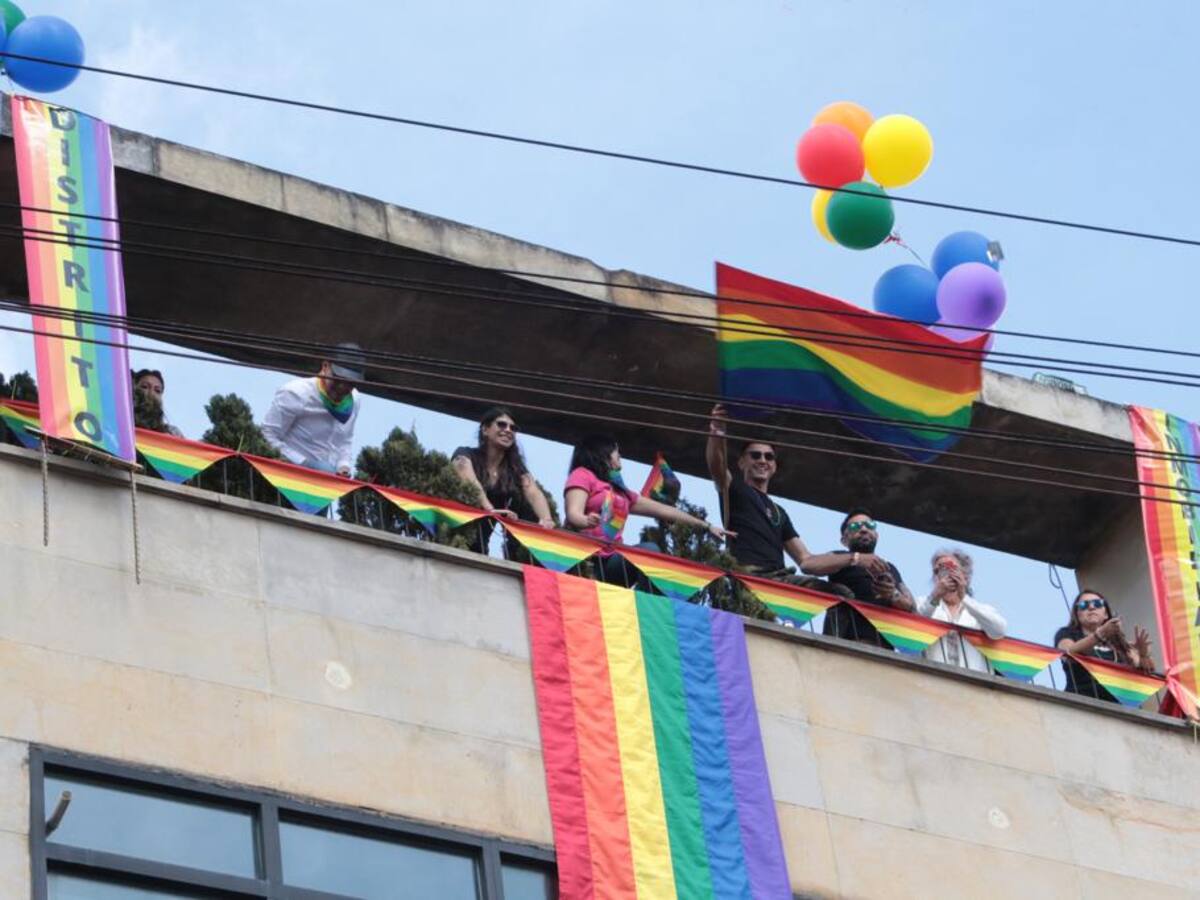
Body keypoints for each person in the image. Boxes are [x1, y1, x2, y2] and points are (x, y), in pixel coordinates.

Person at [705, 404, 848, 598]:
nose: (762, 460)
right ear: (741, 463)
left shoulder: (779, 512)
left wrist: (852, 558)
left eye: (769, 457)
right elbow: (716, 465)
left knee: (840, 593)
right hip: (747, 574)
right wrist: (717, 429)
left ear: (774, 467)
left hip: (779, 581)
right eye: (755, 455)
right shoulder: (735, 489)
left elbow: (805, 559)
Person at [565, 433, 732, 583]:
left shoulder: (622, 493)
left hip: (612, 563)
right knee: (650, 550)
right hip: (586, 561)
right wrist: (586, 521)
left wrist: (707, 526)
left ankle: (646, 606)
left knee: (650, 552)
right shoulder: (582, 474)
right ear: (602, 452)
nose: (620, 455)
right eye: (616, 451)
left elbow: (666, 511)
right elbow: (573, 513)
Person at [802, 508, 914, 646]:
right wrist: (856, 558)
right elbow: (808, 565)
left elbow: (911, 607)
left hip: (885, 651)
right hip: (845, 645)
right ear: (844, 540)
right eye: (855, 526)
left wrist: (892, 594)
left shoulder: (890, 567)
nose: (864, 529)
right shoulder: (839, 557)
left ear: (877, 535)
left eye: (869, 525)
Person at [452, 407, 555, 555]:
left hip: (479, 549)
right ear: (485, 430)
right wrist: (490, 509)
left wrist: (547, 519)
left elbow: (533, 491)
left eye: (513, 428)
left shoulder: (514, 469)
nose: (508, 430)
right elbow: (467, 477)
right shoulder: (465, 454)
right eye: (501, 424)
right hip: (451, 538)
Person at [262, 344, 365, 476]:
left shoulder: (354, 400)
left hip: (329, 482)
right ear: (325, 366)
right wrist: (303, 463)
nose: (342, 387)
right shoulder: (296, 393)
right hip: (289, 475)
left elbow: (345, 440)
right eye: (338, 378)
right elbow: (268, 434)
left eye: (350, 383)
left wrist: (343, 465)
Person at [915, 548, 1006, 672]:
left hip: (972, 683)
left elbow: (998, 630)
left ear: (965, 577)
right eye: (938, 571)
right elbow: (914, 625)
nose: (945, 575)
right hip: (932, 680)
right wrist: (935, 596)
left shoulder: (980, 609)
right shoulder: (924, 603)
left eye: (952, 569)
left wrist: (964, 597)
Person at [1054, 589, 1155, 701]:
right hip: (1082, 705)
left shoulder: (1118, 643)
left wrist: (1144, 654)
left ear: (1106, 614)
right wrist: (1100, 634)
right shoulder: (1067, 633)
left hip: (1122, 708)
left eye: (1097, 603)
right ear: (1077, 614)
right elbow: (1067, 652)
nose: (1091, 607)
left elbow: (1146, 671)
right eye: (1084, 605)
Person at [131, 369, 183, 437]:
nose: (151, 393)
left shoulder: (172, 432)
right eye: (145, 387)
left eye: (157, 391)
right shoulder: (122, 421)